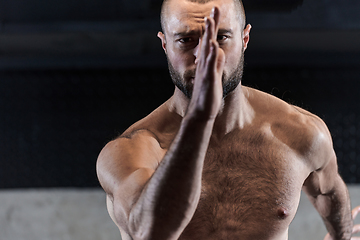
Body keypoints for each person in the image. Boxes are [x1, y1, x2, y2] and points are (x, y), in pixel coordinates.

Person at [96, 0, 360, 239]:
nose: (204, 57)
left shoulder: (299, 133)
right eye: (186, 40)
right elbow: (150, 232)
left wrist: (342, 237)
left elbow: (328, 192)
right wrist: (200, 117)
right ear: (165, 45)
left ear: (244, 39)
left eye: (221, 37)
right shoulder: (131, 151)